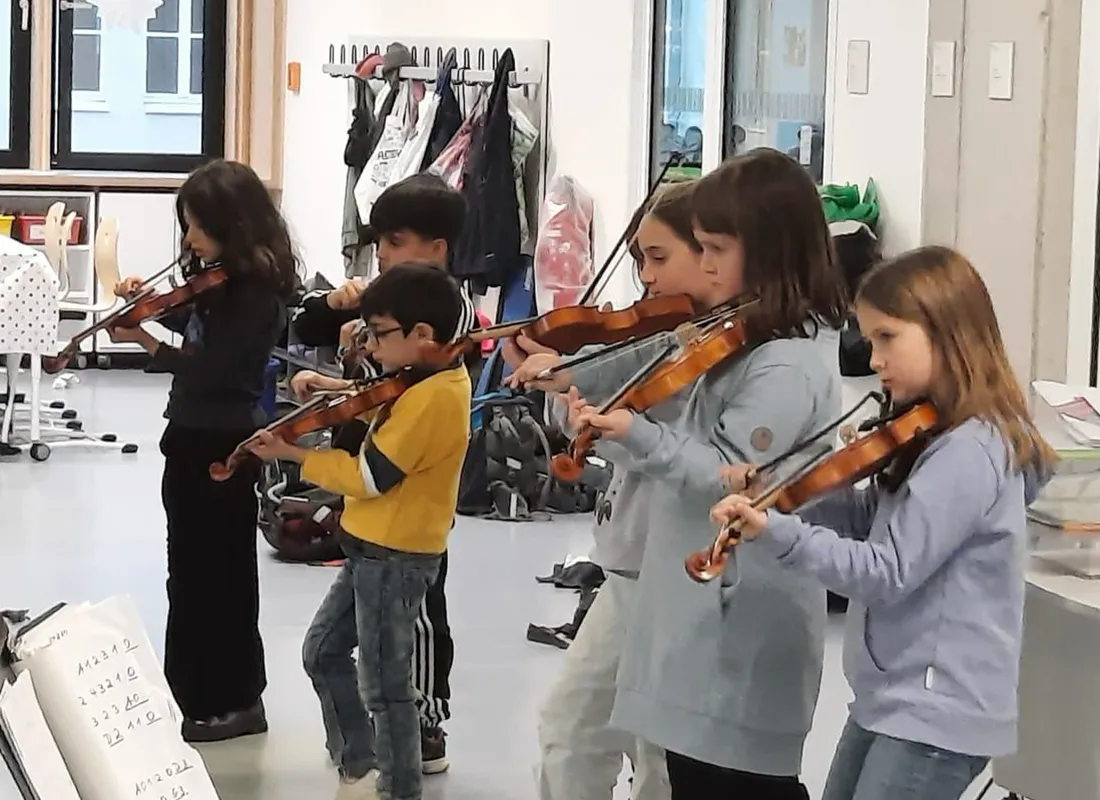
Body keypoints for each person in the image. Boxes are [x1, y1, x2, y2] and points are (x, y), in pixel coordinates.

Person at [508, 148, 848, 799]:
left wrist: (633, 433)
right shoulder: (729, 341)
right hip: (687, 599)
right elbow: (648, 387)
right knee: (663, 762)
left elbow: (729, 475)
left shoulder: (784, 365)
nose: (708, 265)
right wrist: (573, 379)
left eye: (714, 248)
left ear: (769, 251)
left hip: (733, 613)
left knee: (713, 778)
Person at [711, 245, 1058, 800]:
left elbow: (888, 570)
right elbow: (872, 516)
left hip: (936, 712)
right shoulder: (932, 434)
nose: (872, 359)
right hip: (895, 698)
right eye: (870, 340)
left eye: (887, 338)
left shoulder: (971, 450)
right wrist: (783, 497)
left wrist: (776, 533)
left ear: (948, 332)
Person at [248, 264, 471, 800]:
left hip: (395, 555)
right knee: (322, 651)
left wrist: (295, 454)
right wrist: (338, 394)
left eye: (380, 334)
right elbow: (379, 413)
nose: (370, 346)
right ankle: (358, 763)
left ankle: (397, 787)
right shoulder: (420, 378)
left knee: (385, 686)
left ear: (423, 336)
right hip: (369, 548)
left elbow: (370, 476)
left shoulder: (435, 396)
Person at [516, 183, 699, 800]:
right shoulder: (658, 335)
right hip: (625, 567)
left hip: (667, 572)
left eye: (658, 258)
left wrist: (599, 421)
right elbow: (609, 380)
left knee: (656, 758)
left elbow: (671, 452)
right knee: (573, 731)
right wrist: (573, 399)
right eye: (640, 260)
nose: (645, 278)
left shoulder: (705, 348)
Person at [289, 172, 476, 774]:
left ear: (437, 249)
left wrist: (367, 356)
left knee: (415, 627)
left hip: (409, 513)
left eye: (394, 243)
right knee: (348, 647)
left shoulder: (446, 320)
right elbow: (386, 385)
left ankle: (423, 724)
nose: (382, 256)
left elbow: (410, 400)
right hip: (377, 519)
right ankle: (369, 752)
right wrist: (347, 364)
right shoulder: (402, 313)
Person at [108, 159, 299, 742]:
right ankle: (190, 690)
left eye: (195, 226)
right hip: (190, 435)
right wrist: (148, 301)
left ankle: (236, 698)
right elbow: (192, 312)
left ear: (231, 223)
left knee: (220, 575)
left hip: (223, 441)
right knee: (187, 573)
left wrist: (144, 339)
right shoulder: (222, 283)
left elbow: (214, 369)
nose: (187, 239)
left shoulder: (255, 293)